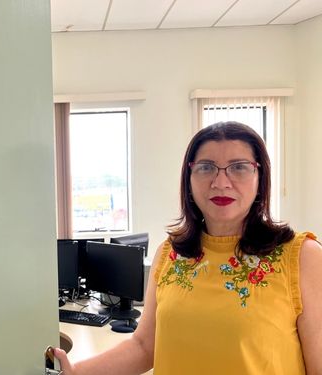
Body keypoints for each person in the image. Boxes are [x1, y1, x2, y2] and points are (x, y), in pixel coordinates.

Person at [53, 121, 322, 375]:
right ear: (189, 180)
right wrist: (76, 372)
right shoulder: (170, 254)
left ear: (260, 178)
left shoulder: (302, 257)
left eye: (238, 167)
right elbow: (145, 347)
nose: (221, 182)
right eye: (206, 167)